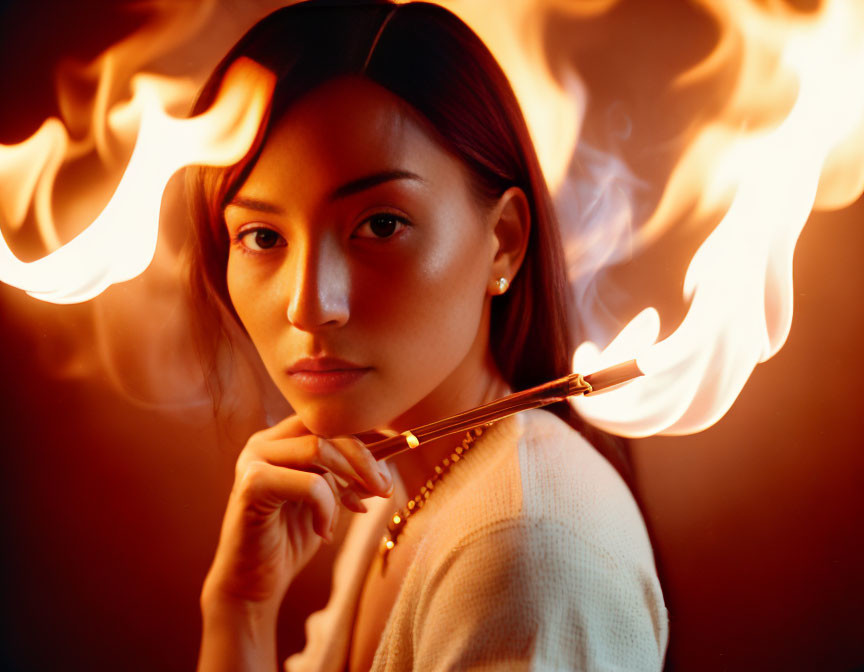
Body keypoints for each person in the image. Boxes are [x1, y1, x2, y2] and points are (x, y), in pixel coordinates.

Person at [187, 1, 669, 670]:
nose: (309, 306)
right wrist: (240, 607)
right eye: (262, 236)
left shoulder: (526, 550)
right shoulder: (406, 480)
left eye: (380, 225)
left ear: (503, 242)